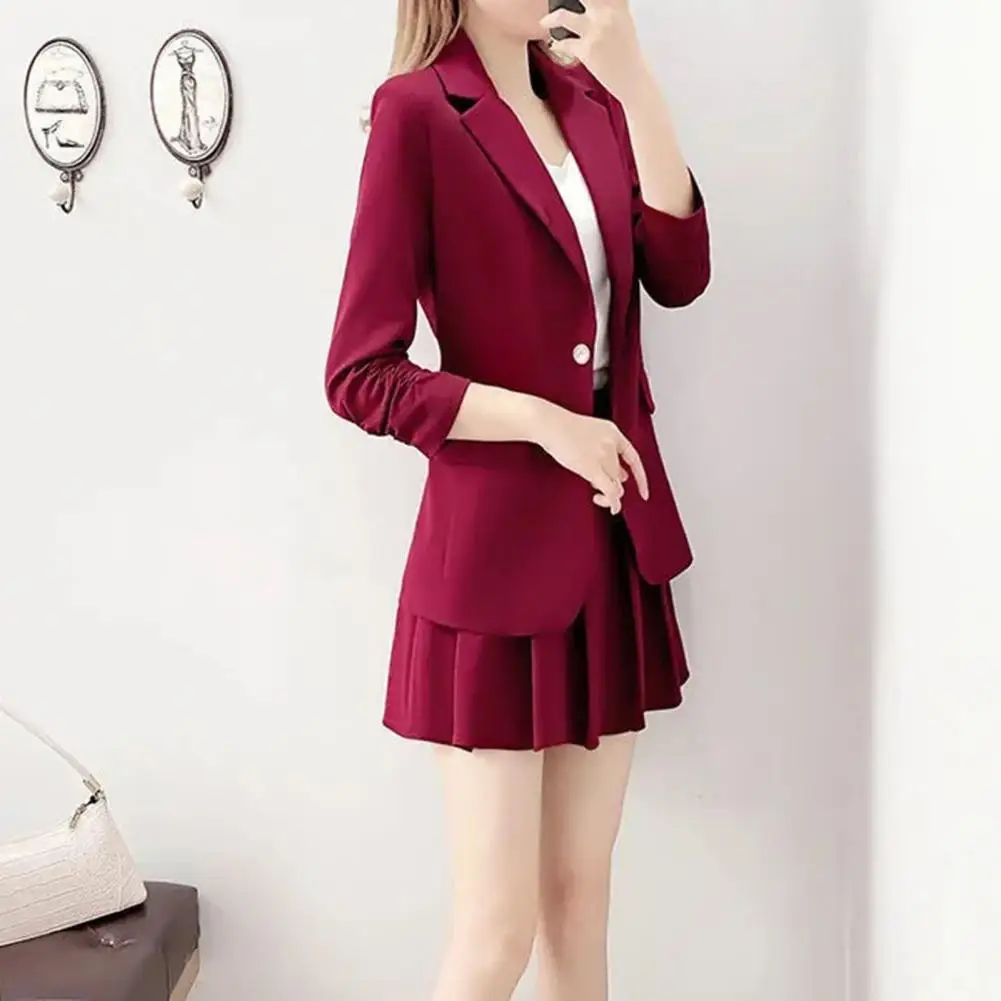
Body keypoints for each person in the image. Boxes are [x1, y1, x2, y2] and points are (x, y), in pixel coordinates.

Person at [323, 1, 711, 999]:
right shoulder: (416, 113)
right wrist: (543, 421)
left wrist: (636, 80)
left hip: (611, 540)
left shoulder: (593, 102)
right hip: (492, 567)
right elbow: (360, 373)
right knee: (496, 932)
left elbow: (680, 273)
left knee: (579, 904)